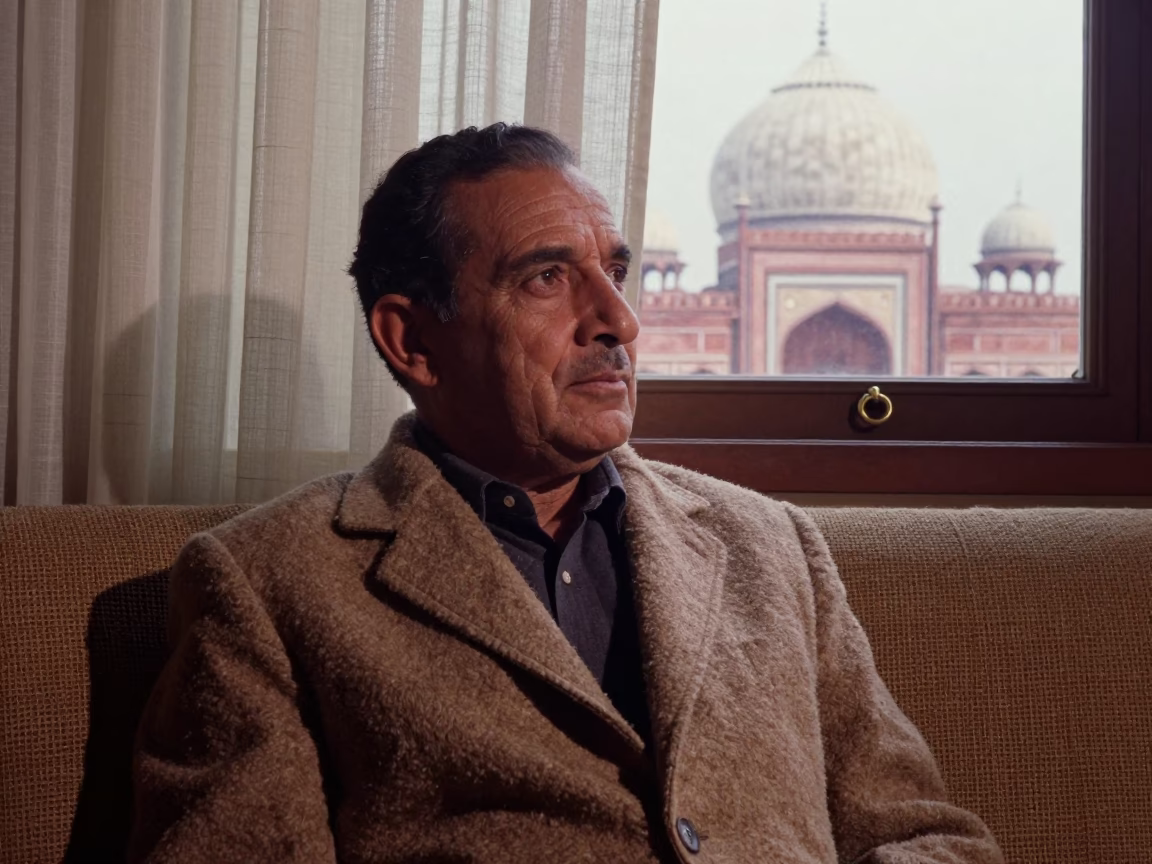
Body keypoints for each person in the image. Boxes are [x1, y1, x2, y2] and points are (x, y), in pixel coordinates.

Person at [130, 123, 1002, 863]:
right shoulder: (273, 581)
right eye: (547, 277)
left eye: (616, 273)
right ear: (412, 341)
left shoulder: (767, 545)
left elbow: (926, 835)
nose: (618, 322)